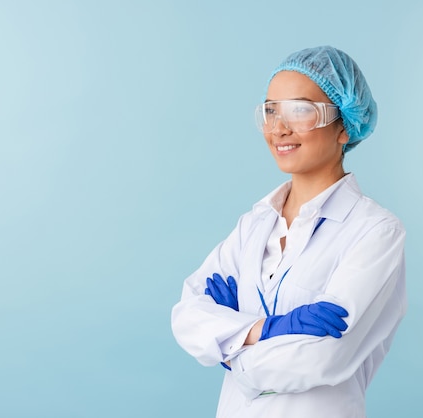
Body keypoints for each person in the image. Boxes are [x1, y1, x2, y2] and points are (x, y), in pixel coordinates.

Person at [171, 45, 407, 418]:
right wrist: (270, 330)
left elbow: (322, 357)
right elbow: (187, 316)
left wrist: (230, 343)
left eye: (300, 110)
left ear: (344, 125)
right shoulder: (254, 224)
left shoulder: (375, 232)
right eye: (270, 111)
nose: (279, 128)